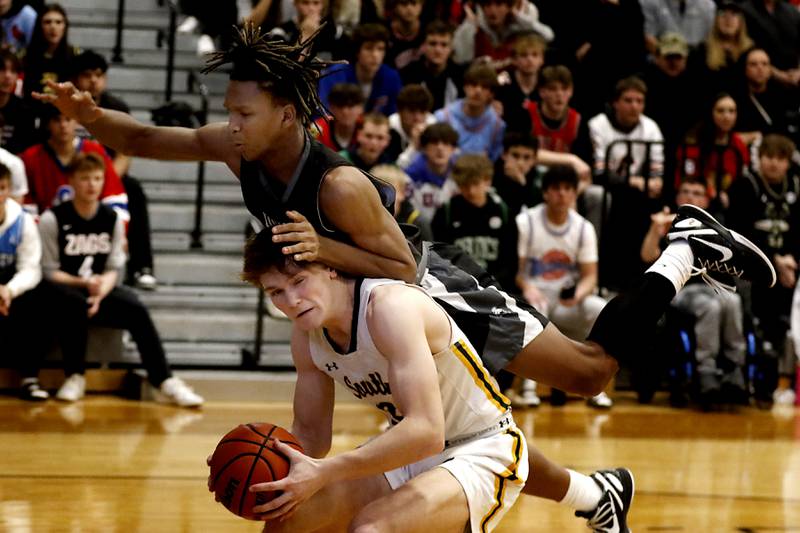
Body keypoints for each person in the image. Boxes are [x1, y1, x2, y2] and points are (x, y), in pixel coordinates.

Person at [38, 25, 777, 525]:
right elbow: (147, 137)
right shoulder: (241, 152)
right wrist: (90, 116)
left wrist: (324, 252)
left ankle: (681, 249)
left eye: (243, 110)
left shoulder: (338, 187)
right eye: (228, 110)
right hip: (364, 307)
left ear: (290, 113)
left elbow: (400, 262)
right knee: (457, 432)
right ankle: (595, 494)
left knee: (587, 373)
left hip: (429, 292)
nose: (229, 121)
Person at [236, 230, 530, 532]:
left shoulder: (390, 307)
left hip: (482, 446)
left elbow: (427, 431)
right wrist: (252, 472)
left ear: (330, 267)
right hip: (406, 450)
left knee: (371, 529)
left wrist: (325, 472)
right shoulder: (305, 336)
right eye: (276, 292)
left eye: (299, 281)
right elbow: (311, 437)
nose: (293, 301)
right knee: (288, 520)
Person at [37, 152, 203, 407]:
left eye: (97, 178)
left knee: (135, 307)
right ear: (71, 181)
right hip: (61, 291)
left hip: (98, 288)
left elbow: (115, 267)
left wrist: (100, 292)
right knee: (73, 304)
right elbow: (48, 270)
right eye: (85, 178)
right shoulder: (53, 219)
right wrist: (86, 287)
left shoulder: (112, 218)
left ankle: (164, 380)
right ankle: (75, 376)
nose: (92, 185)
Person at [641, 178, 749, 410]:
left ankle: (735, 369)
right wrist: (655, 228)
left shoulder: (717, 227)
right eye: (686, 192)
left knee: (733, 301)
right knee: (710, 306)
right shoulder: (669, 223)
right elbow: (647, 257)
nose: (691, 197)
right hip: (682, 290)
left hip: (713, 287)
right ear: (678, 197)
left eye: (697, 193)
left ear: (706, 200)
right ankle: (706, 370)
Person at [515, 166, 613, 409]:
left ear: (574, 194)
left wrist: (578, 293)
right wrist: (527, 287)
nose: (562, 194)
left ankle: (596, 386)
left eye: (568, 189)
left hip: (567, 299)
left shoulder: (583, 228)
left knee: (602, 309)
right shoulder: (526, 221)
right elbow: (518, 272)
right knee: (535, 309)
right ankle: (529, 386)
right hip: (536, 296)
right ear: (545, 192)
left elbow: (591, 276)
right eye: (556, 188)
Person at [70, 49, 158, 290]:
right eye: (87, 75)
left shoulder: (116, 107)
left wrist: (105, 182)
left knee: (134, 190)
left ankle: (142, 267)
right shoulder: (67, 106)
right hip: (68, 175)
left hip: (107, 176)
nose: (93, 81)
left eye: (99, 75)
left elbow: (126, 151)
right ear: (76, 78)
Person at [727, 134, 800, 407]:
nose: (773, 164)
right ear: (759, 159)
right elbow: (738, 233)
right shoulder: (744, 186)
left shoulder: (796, 187)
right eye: (769, 157)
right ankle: (754, 375)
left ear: (787, 163)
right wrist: (774, 260)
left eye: (780, 159)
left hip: (788, 265)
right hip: (752, 265)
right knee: (760, 307)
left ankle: (782, 380)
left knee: (785, 317)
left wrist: (791, 259)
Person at [20, 106, 128, 221]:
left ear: (77, 122)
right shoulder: (31, 157)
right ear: (47, 124)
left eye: (68, 119)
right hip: (47, 231)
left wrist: (103, 227)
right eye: (57, 120)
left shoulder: (95, 151)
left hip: (93, 230)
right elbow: (25, 206)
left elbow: (115, 198)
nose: (63, 125)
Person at [431, 153, 517, 291]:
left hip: (496, 287)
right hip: (458, 287)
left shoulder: (503, 212)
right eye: (464, 185)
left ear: (488, 180)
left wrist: (493, 285)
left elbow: (510, 262)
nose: (470, 191)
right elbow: (440, 257)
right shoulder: (445, 213)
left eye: (475, 184)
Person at [0, 162, 49, 401]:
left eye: (1, 187)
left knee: (38, 300)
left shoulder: (22, 220)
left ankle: (30, 378)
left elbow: (31, 268)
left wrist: (9, 291)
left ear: (9, 190)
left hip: (10, 287)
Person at [675, 93, 748, 218]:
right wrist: (710, 193)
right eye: (720, 111)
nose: (727, 116)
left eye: (732, 111)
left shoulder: (738, 145)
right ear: (711, 113)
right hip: (697, 202)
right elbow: (687, 178)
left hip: (727, 204)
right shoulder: (693, 141)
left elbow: (741, 179)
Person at [318, 23, 403, 116]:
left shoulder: (391, 77)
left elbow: (394, 116)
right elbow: (323, 113)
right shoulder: (334, 74)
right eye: (369, 48)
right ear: (357, 51)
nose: (375, 55)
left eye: (380, 49)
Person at [434, 62, 505, 162]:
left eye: (484, 87)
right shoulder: (442, 118)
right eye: (473, 85)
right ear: (465, 87)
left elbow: (493, 160)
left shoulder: (497, 126)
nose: (478, 91)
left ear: (491, 94)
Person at [452, 0, 553, 69]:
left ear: (509, 7)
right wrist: (469, 25)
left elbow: (549, 36)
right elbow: (461, 58)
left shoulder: (525, 13)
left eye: (499, 4)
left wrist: (520, 18)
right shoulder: (475, 18)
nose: (492, 11)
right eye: (488, 5)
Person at [399, 20, 464, 112]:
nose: (438, 50)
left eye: (444, 45)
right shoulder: (407, 74)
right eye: (432, 44)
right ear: (423, 46)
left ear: (451, 48)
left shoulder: (460, 76)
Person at [22, 4, 78, 108]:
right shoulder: (26, 55)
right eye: (47, 22)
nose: (53, 27)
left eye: (58, 22)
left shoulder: (76, 55)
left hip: (64, 116)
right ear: (39, 26)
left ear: (65, 26)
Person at [402, 122, 459, 223]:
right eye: (434, 142)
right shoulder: (410, 177)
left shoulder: (461, 175)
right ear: (424, 148)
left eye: (446, 143)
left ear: (453, 149)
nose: (440, 148)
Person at [495, 33, 546, 134]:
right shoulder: (503, 78)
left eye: (535, 55)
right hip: (506, 135)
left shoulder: (546, 81)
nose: (529, 60)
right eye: (524, 55)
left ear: (542, 60)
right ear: (515, 60)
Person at [369, 163, 433, 242]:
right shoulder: (367, 219)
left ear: (403, 193)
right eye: (378, 192)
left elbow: (427, 253)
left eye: (390, 192)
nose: (383, 198)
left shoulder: (418, 222)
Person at [493, 131, 541, 216]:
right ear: (504, 155)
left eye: (527, 157)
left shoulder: (539, 180)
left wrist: (522, 183)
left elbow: (534, 214)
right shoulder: (491, 175)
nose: (520, 163)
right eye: (515, 155)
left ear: (534, 159)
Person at [0, 47, 37, 155]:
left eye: (13, 71)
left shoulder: (24, 111)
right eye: (2, 70)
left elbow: (26, 151)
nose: (8, 76)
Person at [387, 84, 436, 163]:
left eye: (422, 112)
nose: (417, 118)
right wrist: (414, 145)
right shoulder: (390, 126)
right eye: (412, 111)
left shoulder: (433, 125)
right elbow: (395, 169)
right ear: (400, 111)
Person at [311, 82, 364, 153]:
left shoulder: (368, 129)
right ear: (331, 108)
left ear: (361, 108)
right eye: (340, 106)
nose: (345, 112)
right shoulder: (317, 130)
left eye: (350, 106)